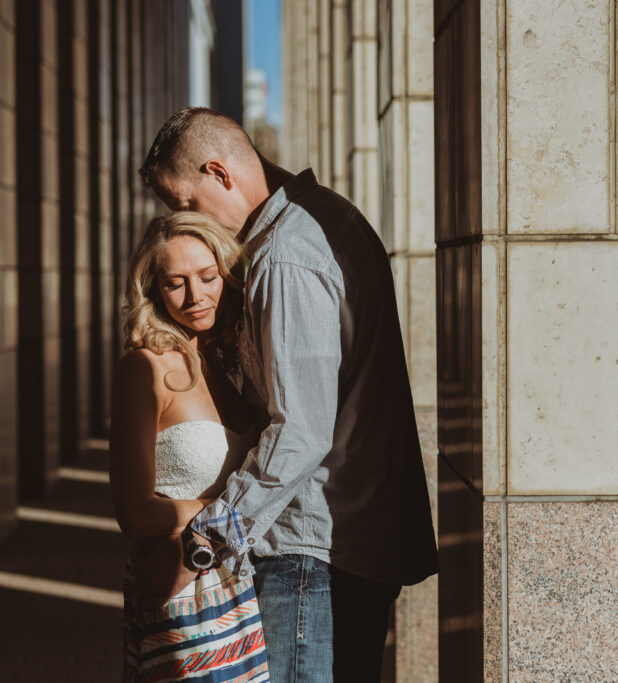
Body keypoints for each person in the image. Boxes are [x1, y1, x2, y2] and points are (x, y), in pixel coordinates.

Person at [137, 107, 439, 682]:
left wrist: (204, 544)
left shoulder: (286, 256)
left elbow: (298, 433)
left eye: (185, 203)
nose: (186, 220)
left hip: (313, 551)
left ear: (218, 174)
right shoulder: (327, 218)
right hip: (346, 542)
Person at [109, 212, 270, 681]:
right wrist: (221, 513)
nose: (196, 296)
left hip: (242, 592)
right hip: (180, 592)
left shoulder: (226, 362)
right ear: (154, 289)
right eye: (175, 282)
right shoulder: (145, 368)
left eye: (207, 276)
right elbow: (134, 513)